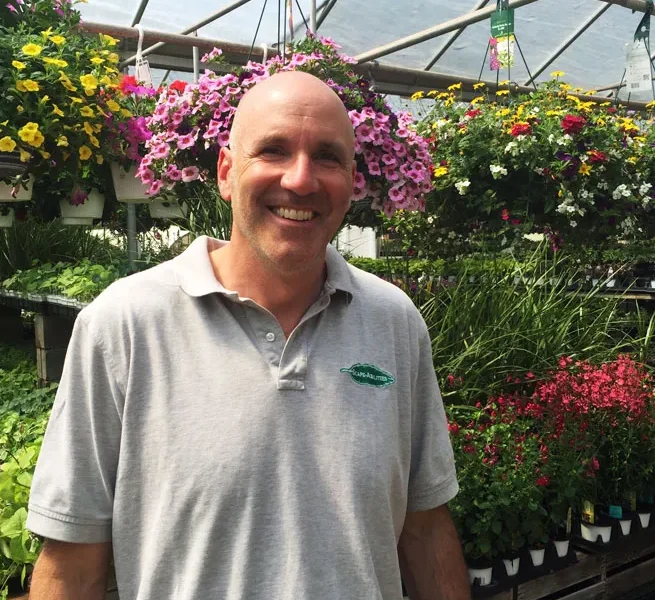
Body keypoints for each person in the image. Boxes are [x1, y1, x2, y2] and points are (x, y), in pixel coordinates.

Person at [26, 71, 470, 600]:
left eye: (327, 157)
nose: (301, 180)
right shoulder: (124, 324)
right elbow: (73, 561)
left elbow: (425, 527)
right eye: (274, 151)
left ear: (352, 181)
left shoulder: (394, 321)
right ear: (226, 171)